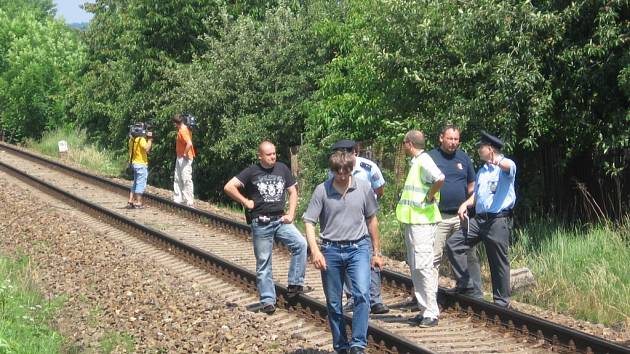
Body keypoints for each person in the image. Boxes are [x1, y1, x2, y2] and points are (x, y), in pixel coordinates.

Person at [304, 150, 383, 354]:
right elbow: (309, 221)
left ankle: (358, 344)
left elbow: (372, 220)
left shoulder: (364, 188)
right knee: (333, 302)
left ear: (351, 169)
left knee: (362, 295)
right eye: (337, 171)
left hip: (358, 248)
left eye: (345, 171)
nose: (340, 175)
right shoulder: (322, 190)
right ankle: (340, 345)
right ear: (332, 170)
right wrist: (315, 251)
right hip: (331, 249)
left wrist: (377, 252)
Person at [224, 141, 308, 315]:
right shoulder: (251, 171)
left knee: (301, 244)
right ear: (260, 156)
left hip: (280, 219)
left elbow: (293, 191)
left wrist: (291, 214)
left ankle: (295, 284)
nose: (273, 157)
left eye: (274, 154)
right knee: (264, 261)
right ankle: (268, 300)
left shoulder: (282, 168)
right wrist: (246, 202)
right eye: (269, 154)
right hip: (261, 222)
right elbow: (229, 186)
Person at [446, 130, 516, 307]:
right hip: (479, 220)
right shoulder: (482, 171)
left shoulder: (504, 169)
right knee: (454, 244)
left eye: (481, 147)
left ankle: (501, 303)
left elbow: (510, 166)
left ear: (490, 149)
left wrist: (498, 161)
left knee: (498, 261)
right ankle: (467, 285)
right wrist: (466, 204)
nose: (479, 150)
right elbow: (478, 195)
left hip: (497, 221)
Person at [329, 139, 389, 315]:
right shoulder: (333, 169)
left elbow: (380, 189)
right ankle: (353, 298)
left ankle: (375, 299)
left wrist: (370, 206)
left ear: (354, 152)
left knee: (372, 255)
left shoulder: (369, 167)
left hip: (365, 216)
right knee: (347, 256)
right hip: (345, 218)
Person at [396, 130, 444, 328]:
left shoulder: (424, 161)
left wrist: (431, 195)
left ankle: (431, 312)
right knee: (416, 266)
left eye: (404, 144)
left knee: (424, 266)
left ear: (408, 143)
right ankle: (424, 309)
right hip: (415, 221)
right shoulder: (417, 161)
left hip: (423, 222)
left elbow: (440, 178)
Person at [428, 125, 483, 298]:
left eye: (456, 139)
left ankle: (474, 292)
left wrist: (470, 204)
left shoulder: (464, 158)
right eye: (450, 138)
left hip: (461, 216)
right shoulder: (430, 157)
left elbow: (472, 186)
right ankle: (430, 294)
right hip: (439, 216)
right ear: (441, 138)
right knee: (434, 256)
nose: (453, 142)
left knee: (468, 254)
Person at [172, 114, 195, 207]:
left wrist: (184, 153)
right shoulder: (182, 130)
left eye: (174, 123)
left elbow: (189, 143)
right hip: (180, 157)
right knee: (177, 178)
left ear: (176, 123)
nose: (173, 125)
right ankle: (178, 198)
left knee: (186, 179)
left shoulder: (183, 130)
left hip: (185, 158)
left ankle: (189, 200)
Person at [126, 129, 152, 209]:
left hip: (134, 163)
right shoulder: (141, 140)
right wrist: (150, 139)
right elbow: (147, 149)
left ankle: (130, 201)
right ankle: (138, 202)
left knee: (135, 183)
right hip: (141, 164)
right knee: (140, 184)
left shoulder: (132, 139)